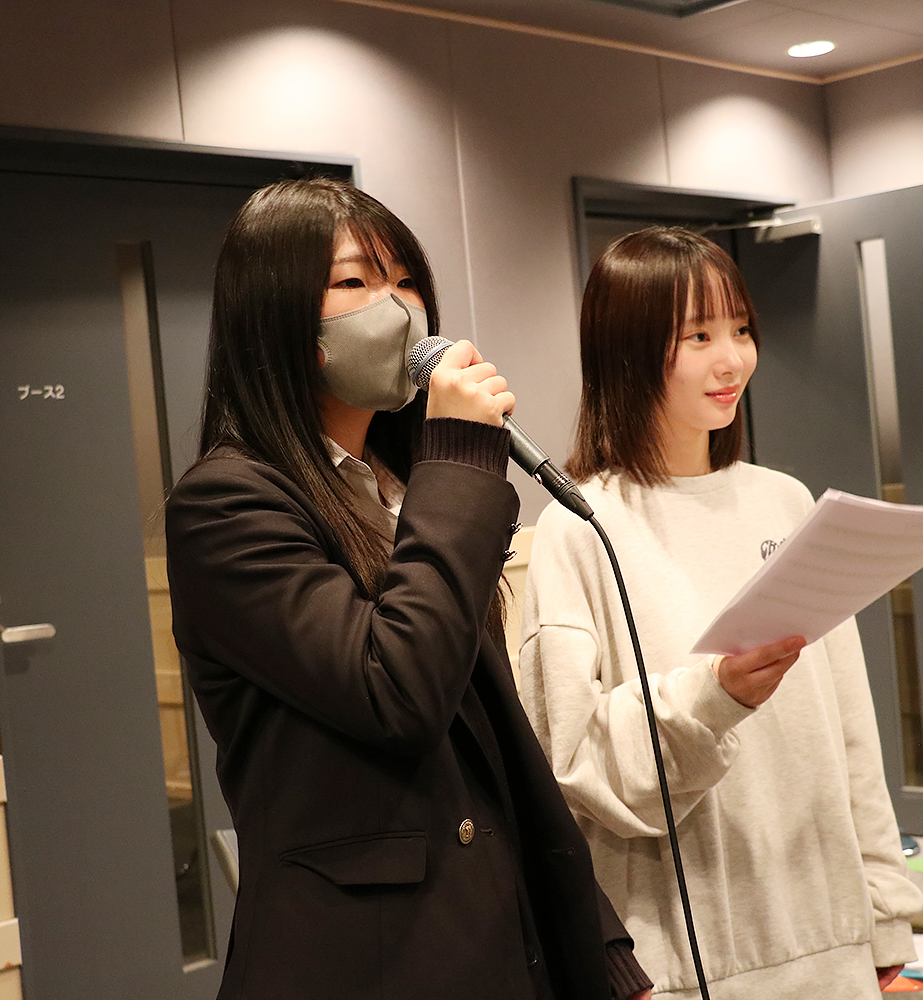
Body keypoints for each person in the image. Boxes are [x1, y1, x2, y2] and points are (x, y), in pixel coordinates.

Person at [164, 177, 652, 1000]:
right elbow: (398, 690)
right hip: (361, 963)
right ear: (275, 314)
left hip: (495, 941)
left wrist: (598, 946)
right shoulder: (227, 503)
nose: (396, 308)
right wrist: (457, 457)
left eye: (406, 281)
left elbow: (503, 747)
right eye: (355, 281)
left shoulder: (400, 489)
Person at [518, 227, 923, 999]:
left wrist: (883, 910)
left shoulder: (785, 501)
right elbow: (571, 766)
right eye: (698, 336)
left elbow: (849, 728)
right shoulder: (581, 527)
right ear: (627, 349)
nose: (732, 359)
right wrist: (714, 697)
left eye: (740, 329)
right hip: (682, 958)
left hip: (828, 934)